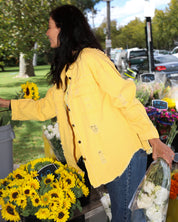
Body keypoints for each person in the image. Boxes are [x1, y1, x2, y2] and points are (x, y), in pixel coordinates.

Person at [0, 5, 174, 222]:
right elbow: (44, 108)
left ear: (64, 29)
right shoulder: (66, 70)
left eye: (50, 27)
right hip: (103, 162)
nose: (46, 32)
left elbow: (125, 99)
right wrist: (6, 103)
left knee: (126, 217)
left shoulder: (92, 58)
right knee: (121, 216)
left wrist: (154, 140)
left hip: (123, 157)